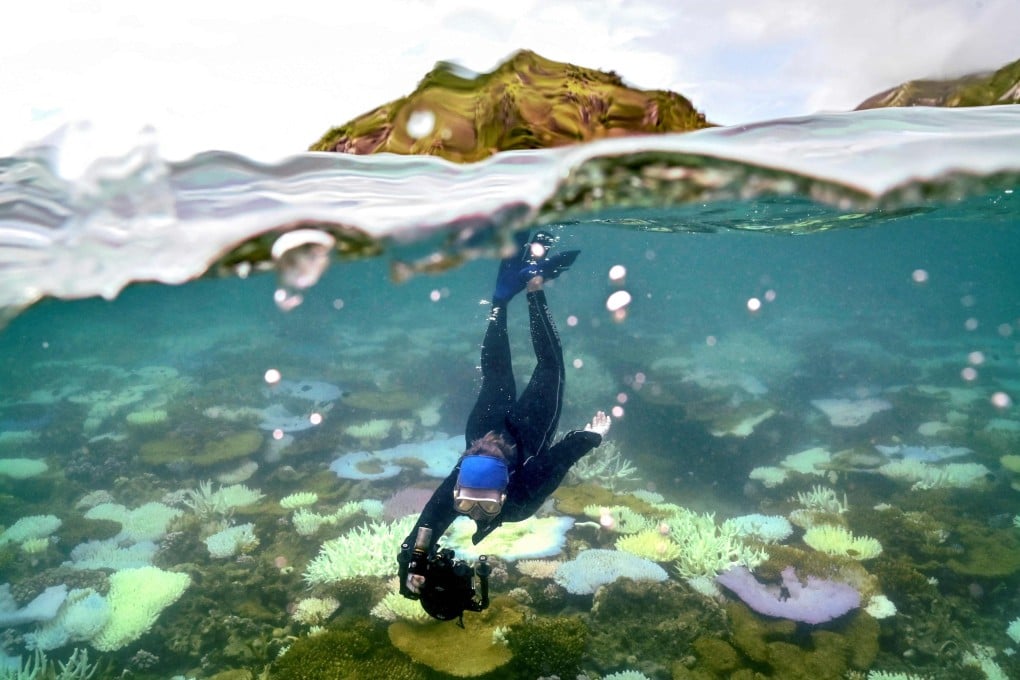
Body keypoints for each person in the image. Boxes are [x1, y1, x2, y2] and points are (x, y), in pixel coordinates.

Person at [398, 230, 611, 600]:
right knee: (506, 374)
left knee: (549, 368)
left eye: (468, 504)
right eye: (468, 504)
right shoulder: (490, 493)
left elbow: (561, 457)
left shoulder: (520, 501)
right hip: (499, 430)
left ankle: (531, 287)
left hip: (518, 431)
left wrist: (591, 437)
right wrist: (412, 567)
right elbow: (424, 530)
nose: (474, 512)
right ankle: (502, 301)